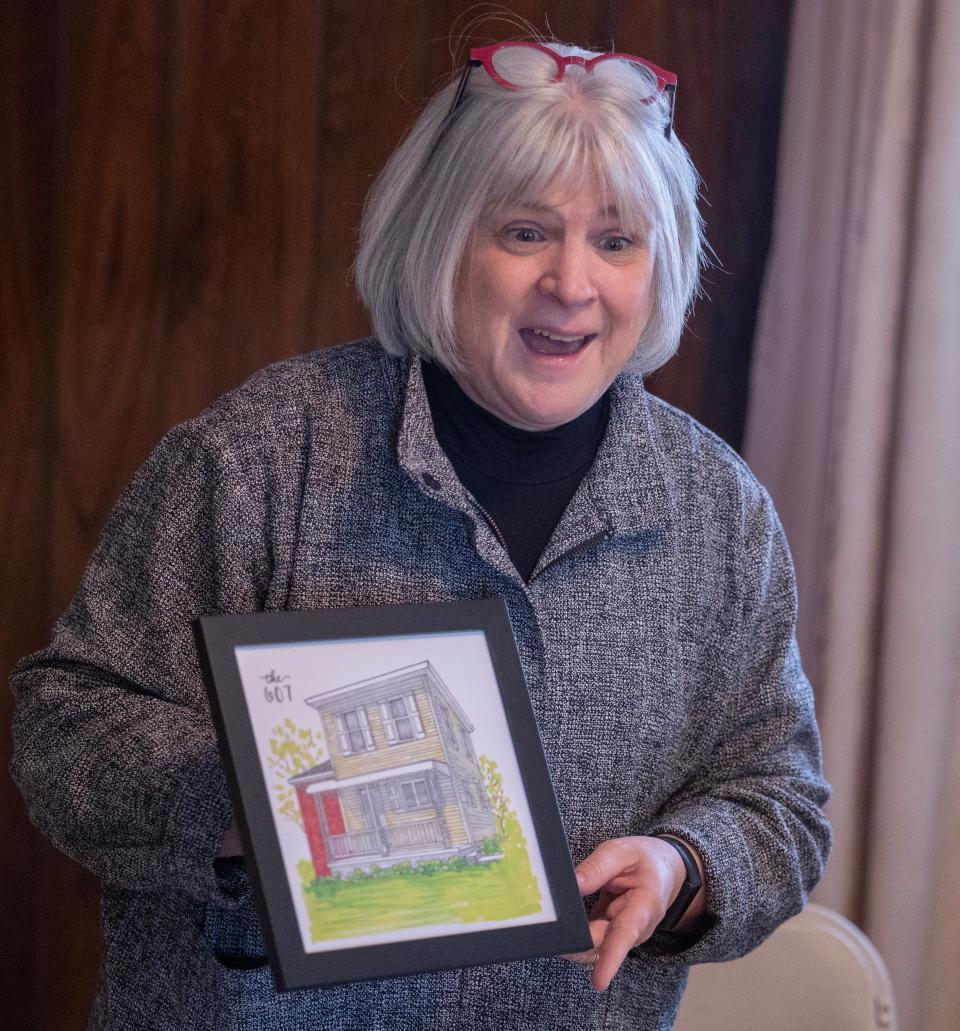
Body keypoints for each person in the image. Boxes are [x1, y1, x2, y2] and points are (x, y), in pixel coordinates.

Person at [11, 38, 830, 1031]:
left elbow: (778, 796)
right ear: (441, 239)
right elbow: (64, 723)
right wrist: (233, 804)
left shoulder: (719, 508)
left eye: (617, 241)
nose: (573, 284)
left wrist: (682, 864)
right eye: (526, 232)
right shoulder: (259, 455)